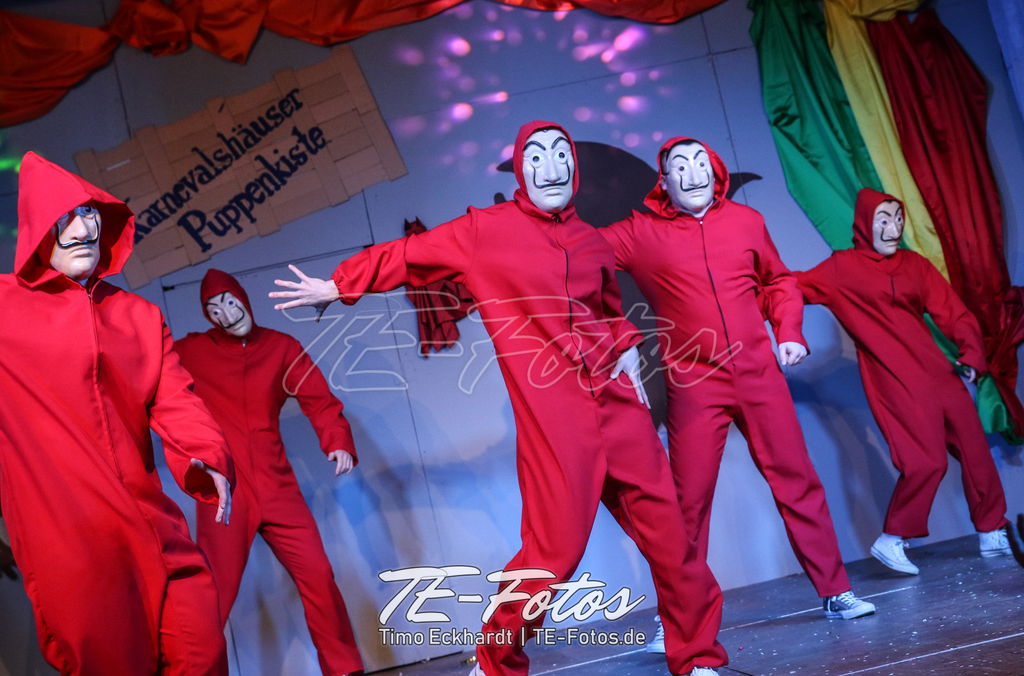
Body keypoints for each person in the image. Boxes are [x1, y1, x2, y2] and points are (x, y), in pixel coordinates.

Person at [270, 121, 728, 676]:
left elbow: (607, 308)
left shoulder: (589, 239)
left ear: (574, 166)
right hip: (557, 421)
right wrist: (342, 284)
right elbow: (408, 255)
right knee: (551, 557)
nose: (551, 167)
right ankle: (495, 659)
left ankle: (695, 655)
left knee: (673, 540)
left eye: (561, 154)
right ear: (520, 169)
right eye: (536, 156)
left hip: (620, 408)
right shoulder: (484, 232)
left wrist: (628, 347)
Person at [601, 138, 875, 651]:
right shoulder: (640, 234)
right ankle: (679, 618)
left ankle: (835, 591)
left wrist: (788, 329)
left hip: (758, 375)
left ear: (716, 171)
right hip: (694, 383)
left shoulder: (746, 223)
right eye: (680, 167)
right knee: (687, 505)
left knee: (797, 481)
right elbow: (577, 259)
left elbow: (779, 281)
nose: (693, 174)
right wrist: (618, 336)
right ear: (664, 182)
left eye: (701, 163)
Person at [0, 151, 233, 675]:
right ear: (38, 228)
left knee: (201, 654)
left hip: (157, 531)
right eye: (65, 217)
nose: (83, 229)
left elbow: (177, 400)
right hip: (73, 547)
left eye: (89, 214)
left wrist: (207, 455)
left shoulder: (136, 316)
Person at [796, 187, 1010, 574]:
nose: (893, 228)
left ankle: (992, 530)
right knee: (925, 461)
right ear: (865, 223)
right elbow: (789, 287)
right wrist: (738, 286)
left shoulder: (914, 266)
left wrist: (971, 354)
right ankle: (892, 538)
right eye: (883, 219)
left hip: (940, 373)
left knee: (976, 453)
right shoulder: (842, 268)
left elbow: (955, 313)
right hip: (895, 377)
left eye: (898, 219)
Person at [174, 268, 363, 676]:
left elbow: (318, 398)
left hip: (277, 486)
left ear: (244, 299)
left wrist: (337, 440)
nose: (226, 314)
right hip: (225, 492)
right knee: (212, 593)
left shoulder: (280, 348)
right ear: (207, 317)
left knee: (318, 576)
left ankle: (345, 669)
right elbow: (148, 378)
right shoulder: (191, 351)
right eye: (214, 309)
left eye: (230, 302)